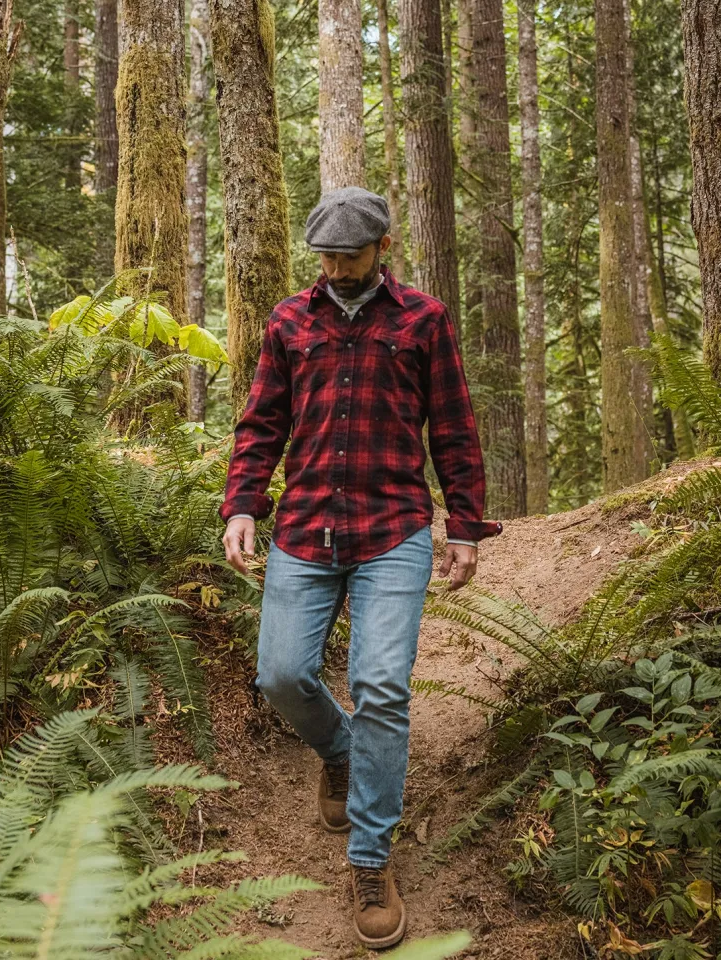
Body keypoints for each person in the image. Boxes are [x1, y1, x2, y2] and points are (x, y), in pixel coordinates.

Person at [219, 185, 503, 949]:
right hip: (306, 527)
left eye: (351, 254)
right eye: (328, 256)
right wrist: (243, 504)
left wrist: (465, 526)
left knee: (381, 684)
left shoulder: (423, 319)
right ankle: (342, 753)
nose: (338, 267)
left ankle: (370, 858)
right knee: (281, 675)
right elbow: (261, 422)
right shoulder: (289, 320)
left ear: (383, 247)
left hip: (394, 529)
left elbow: (454, 426)